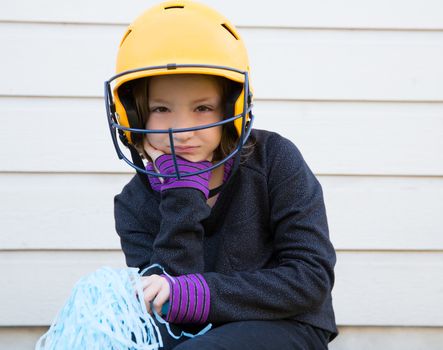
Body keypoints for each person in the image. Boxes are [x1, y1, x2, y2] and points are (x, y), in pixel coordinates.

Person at [105, 1, 338, 348]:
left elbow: (310, 278)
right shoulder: (133, 202)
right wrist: (182, 192)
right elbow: (168, 309)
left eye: (202, 108)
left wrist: (198, 293)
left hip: (287, 323)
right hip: (194, 336)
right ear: (135, 116)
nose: (182, 130)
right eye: (160, 109)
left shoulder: (275, 159)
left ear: (233, 109)